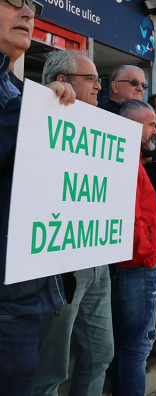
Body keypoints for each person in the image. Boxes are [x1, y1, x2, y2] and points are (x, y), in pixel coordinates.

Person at [0, 2, 75, 393]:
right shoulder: (22, 100)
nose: (28, 12)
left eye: (35, 5)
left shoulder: (17, 90)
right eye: (15, 0)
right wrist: (30, 110)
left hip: (27, 293)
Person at [34, 50, 114, 396]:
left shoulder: (102, 129)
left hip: (96, 257)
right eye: (91, 79)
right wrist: (46, 98)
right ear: (62, 82)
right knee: (49, 369)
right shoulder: (36, 116)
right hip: (59, 262)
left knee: (101, 353)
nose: (99, 86)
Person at [110, 99, 156, 396]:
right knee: (136, 348)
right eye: (151, 124)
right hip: (138, 267)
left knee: (129, 347)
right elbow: (130, 215)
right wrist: (147, 252)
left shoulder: (135, 161)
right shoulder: (124, 163)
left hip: (138, 265)